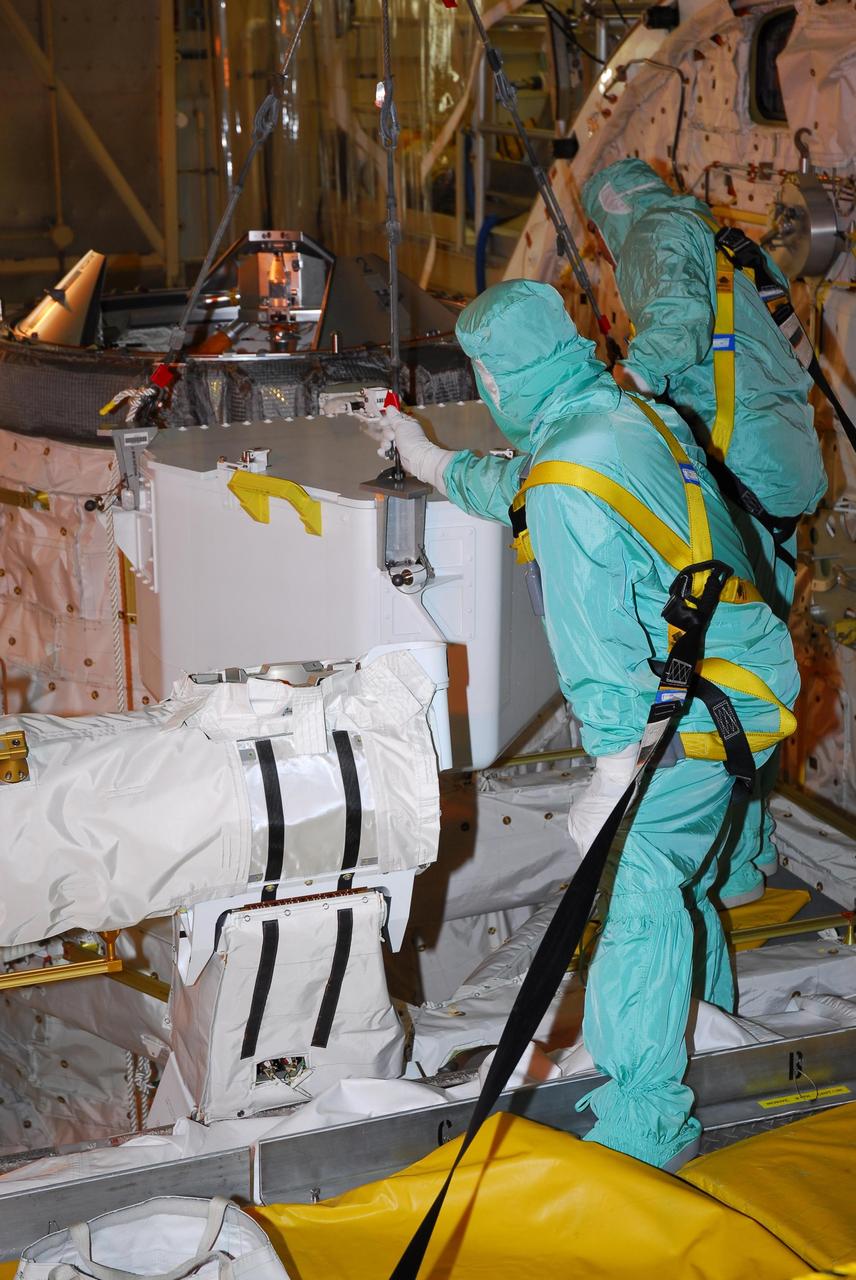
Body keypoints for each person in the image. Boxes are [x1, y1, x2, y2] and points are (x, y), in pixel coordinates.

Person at [363, 278, 799, 1170]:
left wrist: (610, 775)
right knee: (682, 879)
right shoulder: (618, 417)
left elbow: (598, 654)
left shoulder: (570, 476)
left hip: (701, 711)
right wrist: (426, 458)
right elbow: (524, 483)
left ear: (493, 376)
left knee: (640, 885)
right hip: (746, 674)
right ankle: (709, 1034)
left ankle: (646, 1126)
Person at [581, 158, 827, 907]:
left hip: (741, 459)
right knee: (757, 660)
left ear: (611, 213)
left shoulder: (655, 237)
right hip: (778, 459)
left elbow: (681, 329)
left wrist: (619, 392)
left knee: (726, 666)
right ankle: (745, 854)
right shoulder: (712, 234)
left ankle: (725, 864)